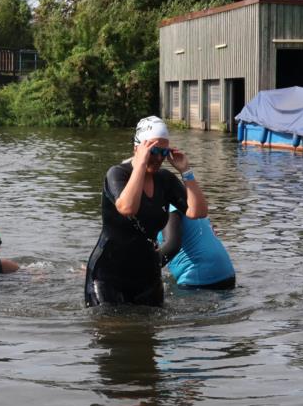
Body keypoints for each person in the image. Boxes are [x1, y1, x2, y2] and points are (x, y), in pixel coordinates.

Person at [85, 116, 208, 307]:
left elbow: (198, 212)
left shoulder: (165, 180)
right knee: (110, 331)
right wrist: (140, 164)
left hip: (147, 274)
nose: (159, 158)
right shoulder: (117, 174)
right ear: (138, 148)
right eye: (154, 151)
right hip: (108, 275)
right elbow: (127, 208)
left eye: (163, 152)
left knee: (151, 333)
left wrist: (186, 171)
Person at [159, 206, 236, 290]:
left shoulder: (168, 206)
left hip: (198, 277)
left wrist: (144, 270)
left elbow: (172, 245)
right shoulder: (186, 201)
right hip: (227, 274)